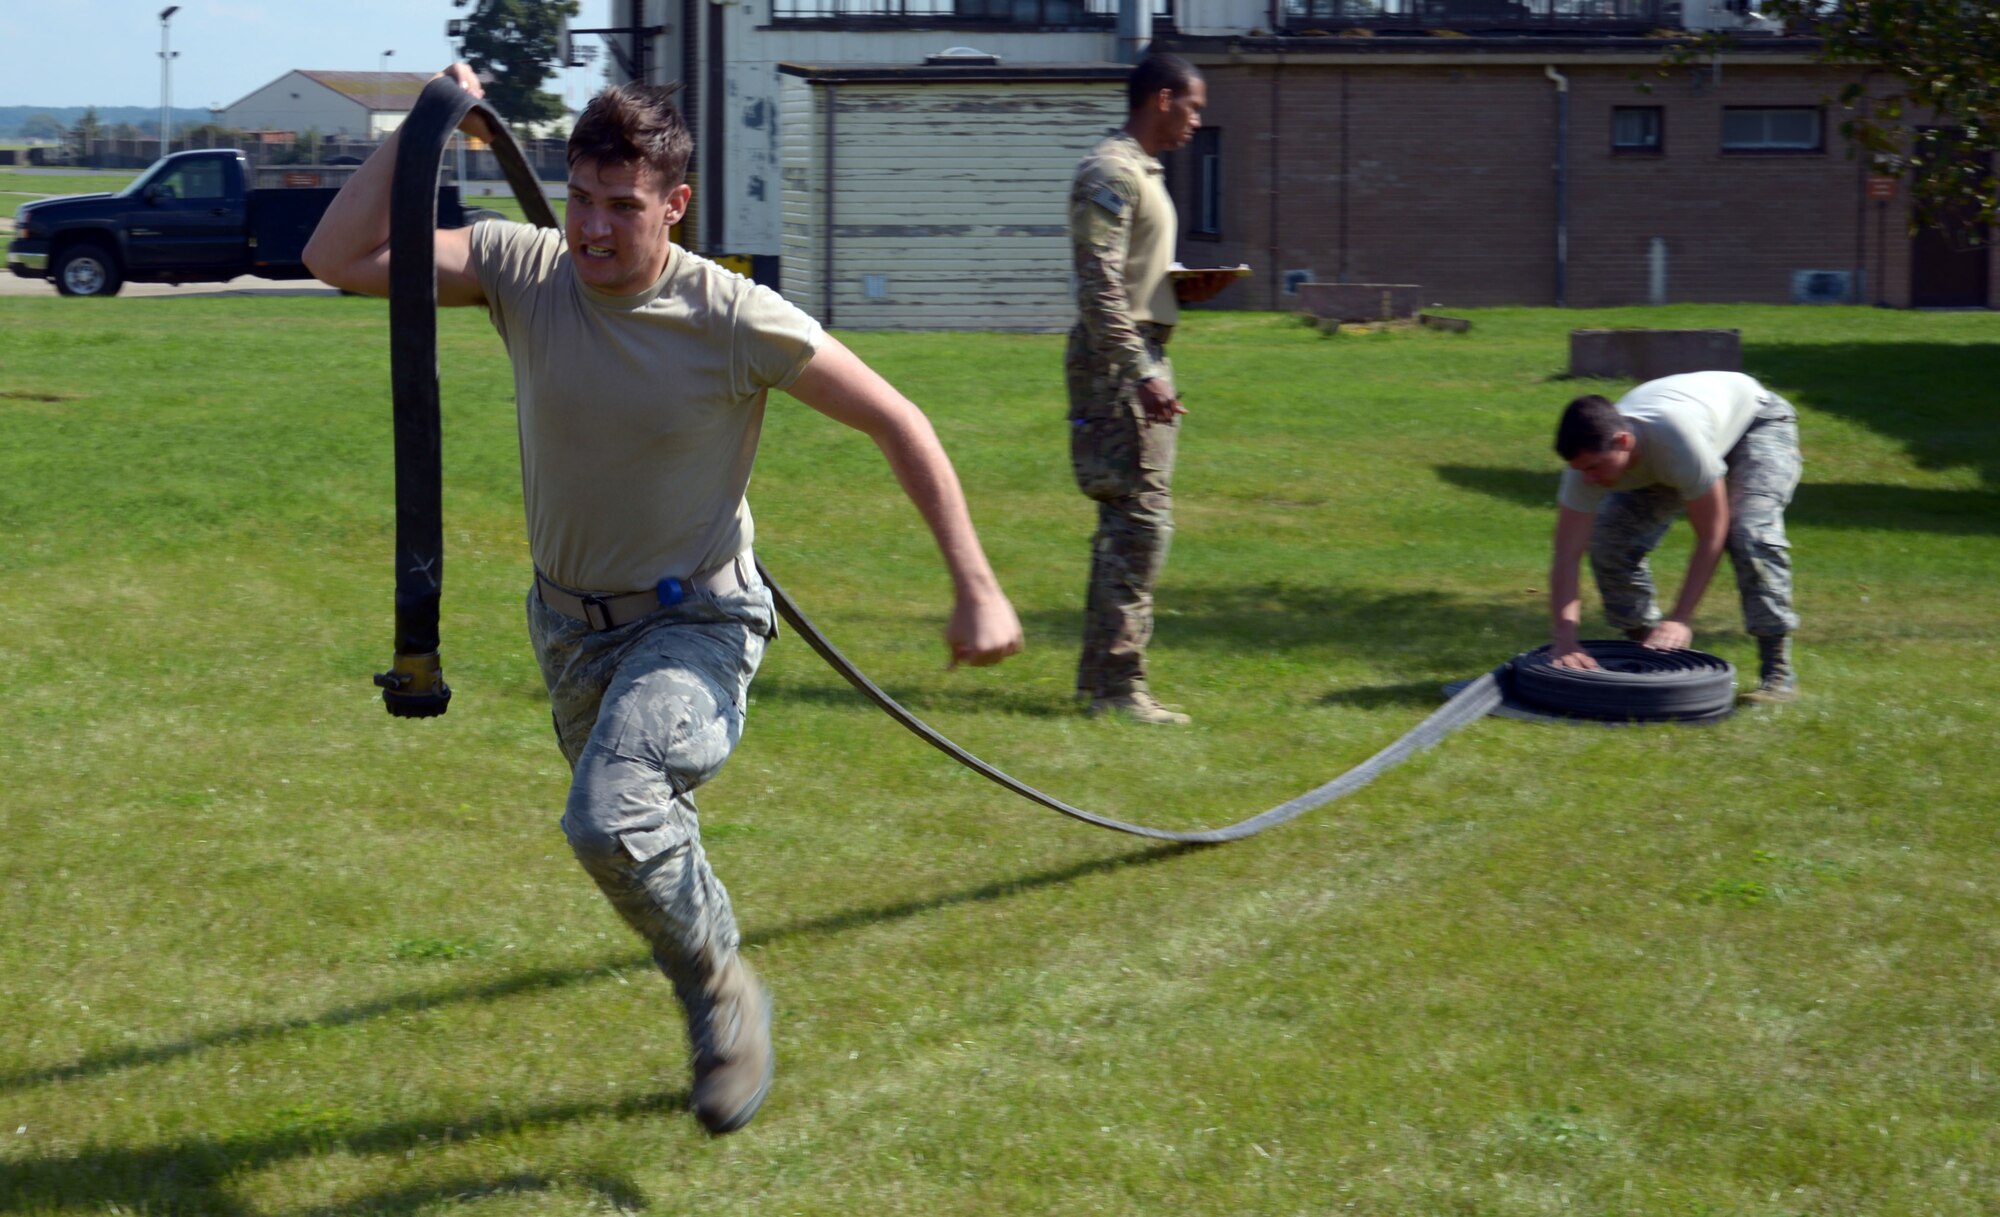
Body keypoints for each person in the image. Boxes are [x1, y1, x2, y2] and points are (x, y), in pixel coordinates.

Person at [304, 66, 1023, 1134]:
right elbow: (338, 258)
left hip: (695, 622)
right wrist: (424, 129)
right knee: (633, 834)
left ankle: (719, 994)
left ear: (674, 205)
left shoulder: (731, 315)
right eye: (581, 198)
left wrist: (975, 586)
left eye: (622, 207)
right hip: (567, 629)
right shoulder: (522, 266)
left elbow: (897, 419)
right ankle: (711, 969)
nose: (591, 229)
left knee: (609, 818)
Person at [1065, 53, 1236, 726]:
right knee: (1139, 524)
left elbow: (1131, 274)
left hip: (1136, 351)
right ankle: (1118, 687)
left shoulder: (1145, 174)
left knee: (1127, 523)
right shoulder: (1111, 171)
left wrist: (1180, 286)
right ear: (1161, 98)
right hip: (1120, 363)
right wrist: (1142, 372)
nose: (1198, 120)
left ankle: (1100, 682)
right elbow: (1098, 285)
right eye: (1192, 106)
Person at [1547, 370, 1803, 704]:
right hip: (1676, 451)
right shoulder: (1586, 467)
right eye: (1582, 470)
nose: (1588, 479)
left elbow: (1712, 533)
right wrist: (1565, 638)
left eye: (1594, 467)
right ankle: (1652, 650)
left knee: (1749, 533)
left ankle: (1778, 670)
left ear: (1622, 442)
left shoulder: (1674, 440)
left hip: (1754, 423)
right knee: (1610, 542)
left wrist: (1681, 617)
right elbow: (1567, 553)